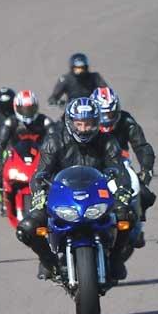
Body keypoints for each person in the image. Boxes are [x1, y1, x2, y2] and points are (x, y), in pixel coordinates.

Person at [16, 98, 134, 280]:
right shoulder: (53, 142)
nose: (84, 129)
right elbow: (40, 175)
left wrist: (123, 191)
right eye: (79, 124)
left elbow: (119, 170)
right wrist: (39, 194)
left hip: (98, 196)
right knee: (27, 228)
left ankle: (116, 259)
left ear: (97, 123)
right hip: (62, 197)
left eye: (89, 124)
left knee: (128, 215)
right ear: (70, 123)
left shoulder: (108, 142)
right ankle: (50, 263)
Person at [90, 87, 156, 226]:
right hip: (91, 165)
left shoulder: (127, 121)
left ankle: (136, 225)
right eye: (103, 114)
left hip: (121, 165)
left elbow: (141, 146)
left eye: (110, 113)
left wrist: (146, 169)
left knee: (144, 194)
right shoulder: (85, 125)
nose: (107, 118)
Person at [0, 90, 54, 214]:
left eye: (30, 109)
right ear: (16, 108)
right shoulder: (10, 123)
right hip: (14, 155)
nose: (28, 113)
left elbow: (55, 138)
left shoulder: (44, 121)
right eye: (24, 109)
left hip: (39, 155)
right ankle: (4, 200)